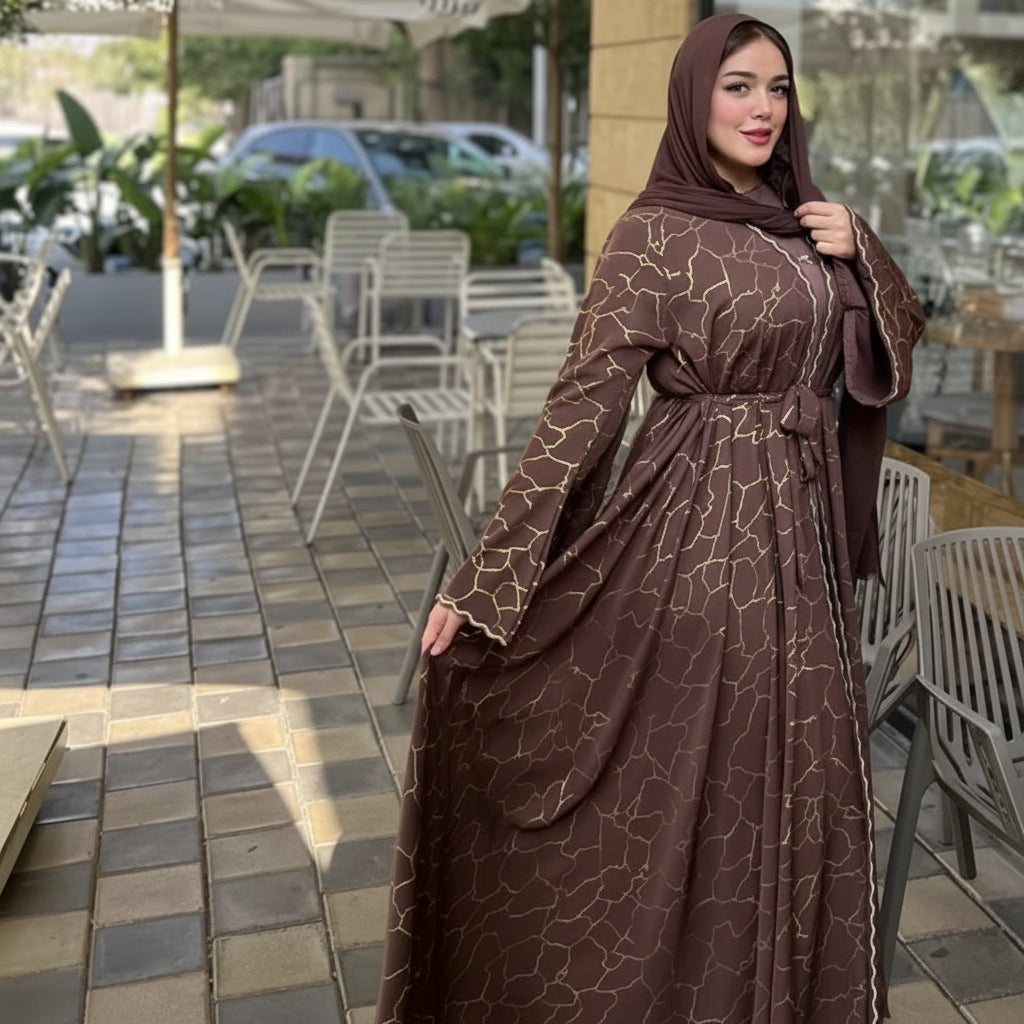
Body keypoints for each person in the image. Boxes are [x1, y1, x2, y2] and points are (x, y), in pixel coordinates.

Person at [376, 12, 924, 1024]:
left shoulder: (805, 218)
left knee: (803, 766)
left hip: (799, 536)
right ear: (691, 96)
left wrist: (863, 251)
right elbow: (580, 411)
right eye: (737, 86)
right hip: (701, 530)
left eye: (778, 88)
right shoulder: (652, 235)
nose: (763, 108)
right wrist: (488, 579)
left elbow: (892, 345)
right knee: (714, 773)